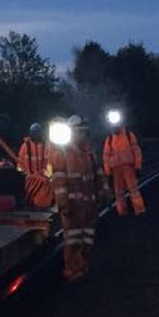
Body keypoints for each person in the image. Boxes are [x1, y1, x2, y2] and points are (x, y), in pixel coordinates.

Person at [57, 116, 101, 280]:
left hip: (89, 207)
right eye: (81, 132)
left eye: (85, 132)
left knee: (87, 240)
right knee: (73, 241)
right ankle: (72, 271)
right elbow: (59, 180)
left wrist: (103, 192)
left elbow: (98, 174)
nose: (84, 136)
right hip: (73, 208)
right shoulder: (63, 153)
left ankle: (83, 268)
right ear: (74, 134)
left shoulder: (89, 153)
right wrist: (64, 204)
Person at [102, 112, 146, 217]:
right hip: (116, 170)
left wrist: (138, 166)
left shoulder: (128, 135)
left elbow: (136, 151)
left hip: (128, 168)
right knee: (119, 193)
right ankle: (122, 211)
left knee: (133, 190)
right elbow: (106, 157)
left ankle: (139, 209)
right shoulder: (110, 139)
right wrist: (108, 173)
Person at [15, 122, 56, 213]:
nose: (36, 135)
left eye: (38, 132)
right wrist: (25, 175)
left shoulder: (47, 145)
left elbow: (50, 162)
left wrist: (48, 176)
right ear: (30, 133)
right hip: (29, 181)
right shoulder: (25, 146)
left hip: (44, 181)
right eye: (34, 133)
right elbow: (20, 164)